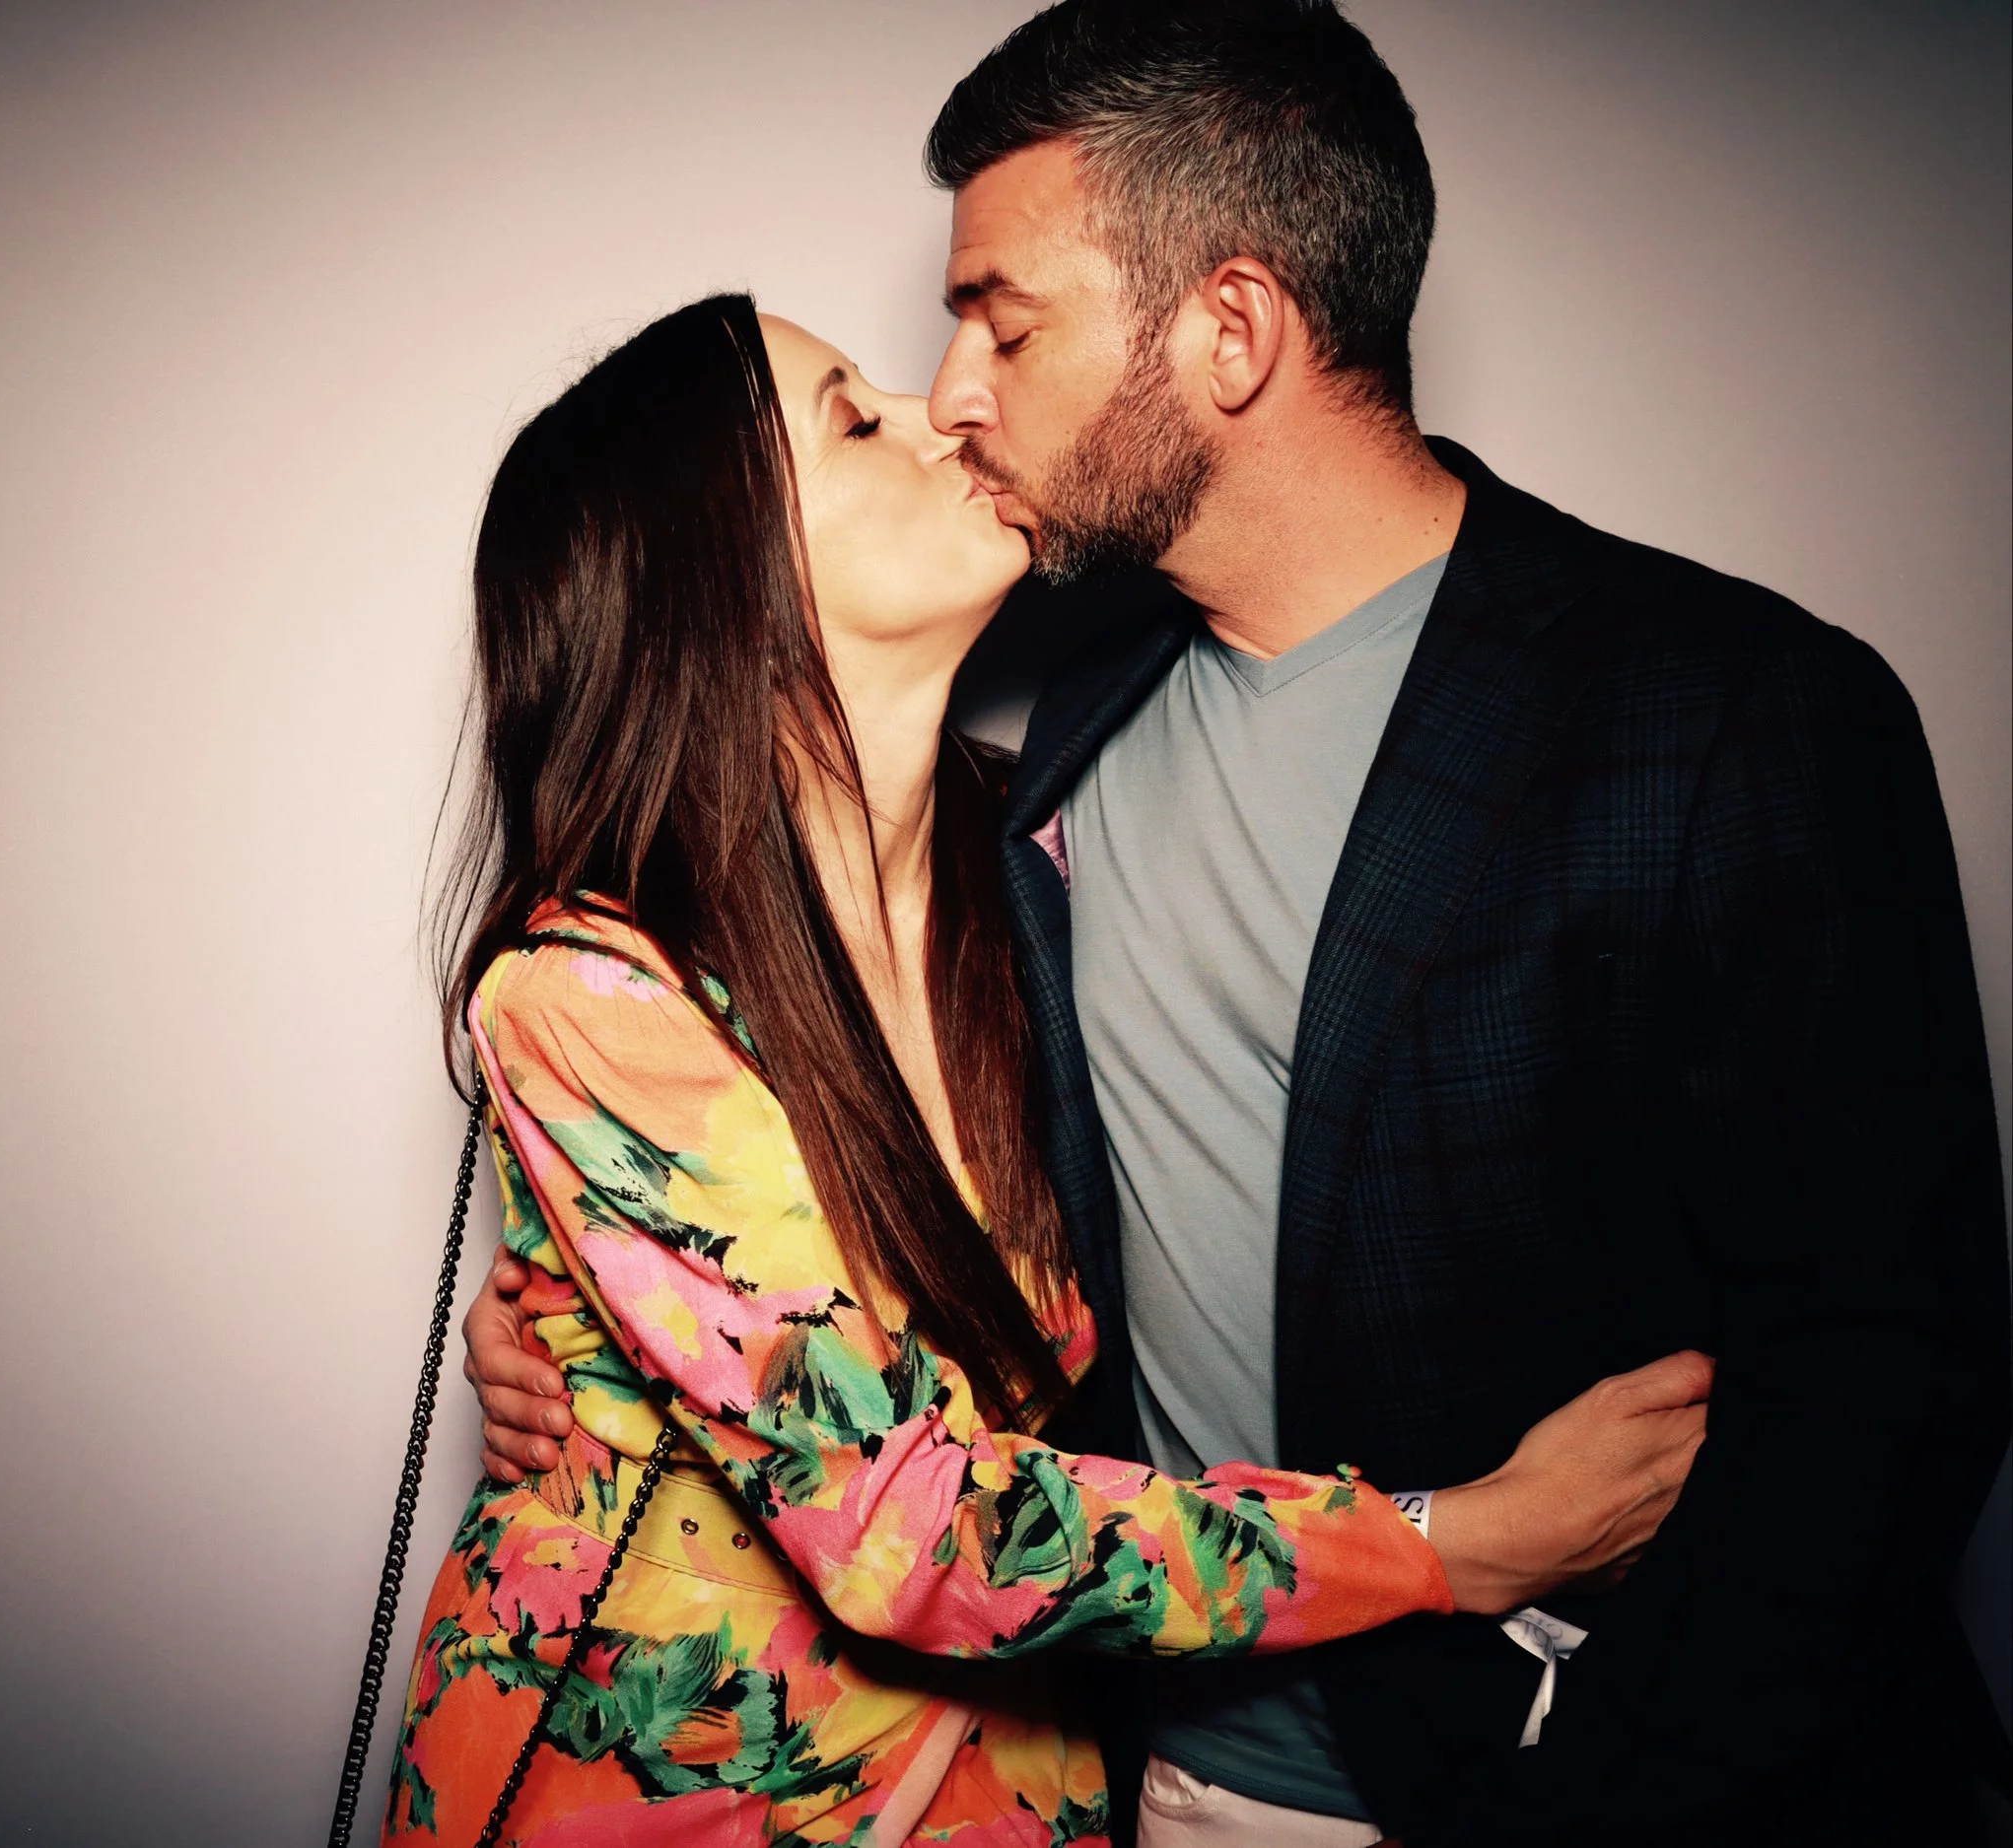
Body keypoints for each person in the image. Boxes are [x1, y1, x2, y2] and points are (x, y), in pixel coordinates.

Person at [465, 6, 2012, 1847]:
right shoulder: (1068, 748)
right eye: (895, 384)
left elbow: (1884, 1378)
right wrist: (582, 1330)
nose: (953, 392)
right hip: (1159, 1781)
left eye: (1003, 322)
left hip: (1583, 1781)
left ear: (1231, 327)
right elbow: (883, 1403)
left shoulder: (1740, 713)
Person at [388, 292, 1712, 1848]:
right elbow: (904, 1525)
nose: (945, 412)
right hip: (648, 1804)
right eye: (854, 421)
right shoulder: (592, 990)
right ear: (721, 571)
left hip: (1018, 1798)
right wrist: (1453, 1541)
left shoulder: (1048, 865)